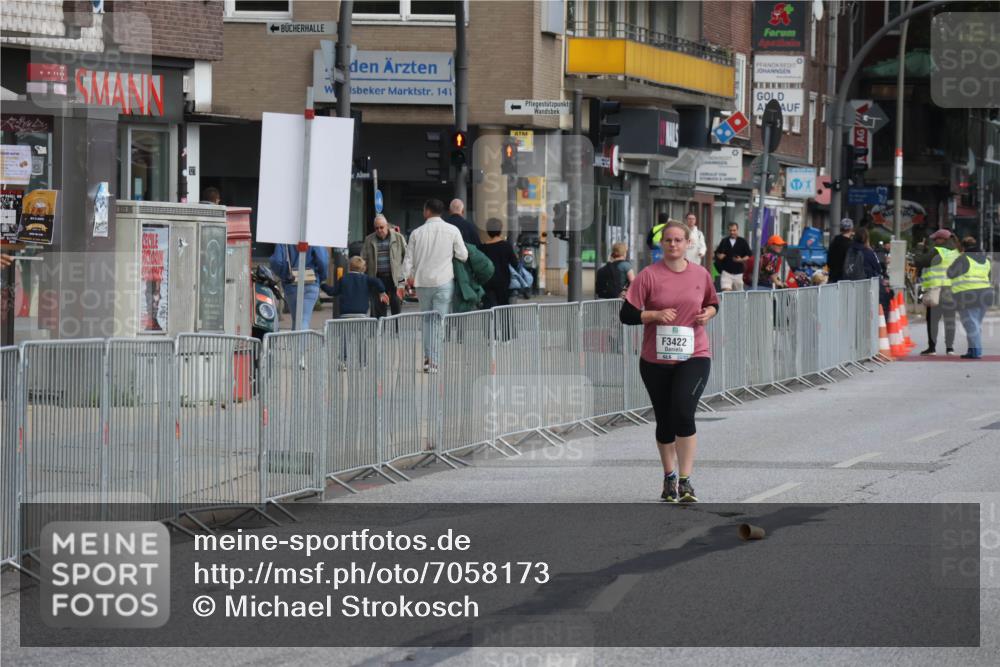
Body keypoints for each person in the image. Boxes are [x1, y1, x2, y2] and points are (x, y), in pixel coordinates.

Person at [619, 219, 719, 503]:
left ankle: (686, 480)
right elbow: (626, 315)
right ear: (661, 244)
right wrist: (654, 315)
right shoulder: (648, 276)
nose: (673, 244)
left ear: (689, 244)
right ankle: (669, 477)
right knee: (664, 421)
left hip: (694, 355)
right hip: (655, 359)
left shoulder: (700, 274)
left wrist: (708, 314)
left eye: (678, 240)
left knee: (683, 412)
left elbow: (713, 303)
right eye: (668, 240)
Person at [400, 199, 468, 371]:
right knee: (439, 322)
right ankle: (434, 361)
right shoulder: (452, 230)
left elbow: (408, 260)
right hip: (444, 282)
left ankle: (428, 358)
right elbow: (463, 255)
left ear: (427, 211)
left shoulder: (416, 233)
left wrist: (401, 282)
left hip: (422, 283)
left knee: (427, 322)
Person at [913, 229, 959, 355]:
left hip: (937, 290)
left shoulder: (937, 250)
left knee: (933, 320)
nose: (933, 241)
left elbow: (920, 262)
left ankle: (932, 348)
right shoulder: (956, 252)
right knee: (950, 320)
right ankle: (950, 348)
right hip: (951, 290)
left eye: (935, 239)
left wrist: (919, 248)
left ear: (942, 240)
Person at [947, 236, 993, 359]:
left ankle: (976, 351)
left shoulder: (963, 259)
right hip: (985, 295)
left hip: (967, 296)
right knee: (975, 324)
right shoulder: (986, 260)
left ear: (963, 247)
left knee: (971, 324)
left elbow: (950, 273)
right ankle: (972, 351)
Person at [269, 243, 329, 330]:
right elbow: (323, 261)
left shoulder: (285, 237)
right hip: (311, 281)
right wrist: (321, 277)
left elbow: (276, 261)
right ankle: (301, 343)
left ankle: (295, 343)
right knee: (303, 320)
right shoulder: (312, 235)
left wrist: (285, 275)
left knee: (296, 320)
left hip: (291, 283)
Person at [361, 214, 407, 317]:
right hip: (377, 279)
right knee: (378, 310)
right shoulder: (369, 239)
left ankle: (397, 332)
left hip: (395, 278)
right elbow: (363, 259)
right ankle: (379, 332)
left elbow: (406, 257)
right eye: (376, 228)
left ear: (387, 226)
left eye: (381, 227)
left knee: (397, 308)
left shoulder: (398, 238)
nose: (379, 230)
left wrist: (405, 277)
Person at [324, 256, 389, 318]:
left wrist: (322, 285)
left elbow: (332, 292)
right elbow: (377, 281)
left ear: (349, 266)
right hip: (361, 312)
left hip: (345, 313)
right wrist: (382, 292)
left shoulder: (343, 279)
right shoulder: (366, 278)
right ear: (362, 267)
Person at [480, 218, 518, 308]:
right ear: (500, 230)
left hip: (487, 281)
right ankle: (505, 322)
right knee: (504, 308)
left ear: (488, 231)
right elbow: (515, 264)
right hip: (503, 282)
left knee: (488, 307)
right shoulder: (506, 246)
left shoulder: (482, 248)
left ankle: (489, 322)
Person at [452, 241, 495, 313]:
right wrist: (476, 282)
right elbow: (488, 268)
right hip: (468, 296)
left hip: (452, 294)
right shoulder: (464, 245)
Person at [713, 223, 752, 291]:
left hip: (738, 273)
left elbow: (749, 255)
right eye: (730, 230)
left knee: (738, 295)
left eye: (734, 230)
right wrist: (720, 256)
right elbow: (717, 253)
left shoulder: (742, 241)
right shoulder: (724, 241)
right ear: (728, 231)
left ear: (737, 230)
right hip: (726, 272)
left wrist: (741, 260)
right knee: (726, 293)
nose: (732, 232)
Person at [827, 218, 855, 283]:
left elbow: (829, 262)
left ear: (840, 229)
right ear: (851, 229)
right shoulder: (851, 245)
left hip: (833, 277)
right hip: (845, 280)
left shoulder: (834, 241)